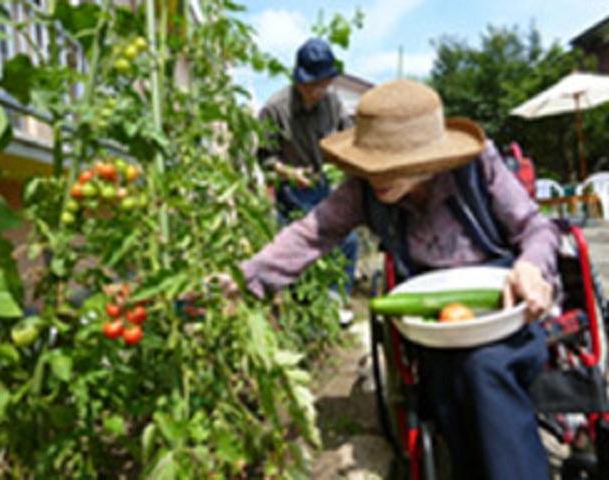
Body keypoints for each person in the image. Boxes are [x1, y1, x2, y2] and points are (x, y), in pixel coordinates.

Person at [218, 79, 558, 479]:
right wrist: (243, 280)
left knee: (484, 368)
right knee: (445, 380)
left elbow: (536, 228)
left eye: (394, 168)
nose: (378, 178)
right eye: (372, 166)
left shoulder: (474, 167)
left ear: (432, 159)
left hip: (506, 304)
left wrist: (532, 268)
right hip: (434, 326)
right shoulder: (363, 190)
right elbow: (312, 233)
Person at [257, 37, 359, 324]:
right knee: (295, 249)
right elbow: (264, 158)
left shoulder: (332, 103)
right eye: (313, 84)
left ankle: (335, 303)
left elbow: (347, 136)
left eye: (324, 83)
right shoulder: (275, 110)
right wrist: (290, 173)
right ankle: (300, 311)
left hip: (325, 186)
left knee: (347, 242)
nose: (319, 90)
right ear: (299, 79)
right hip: (293, 190)